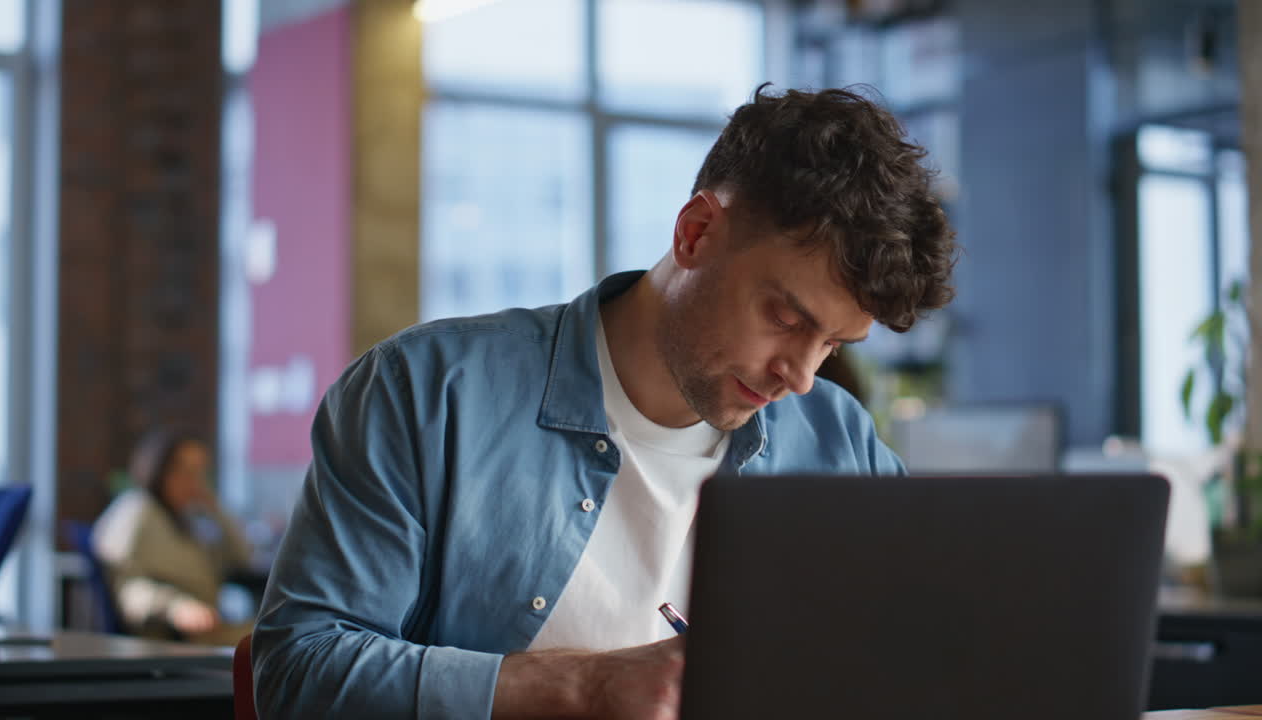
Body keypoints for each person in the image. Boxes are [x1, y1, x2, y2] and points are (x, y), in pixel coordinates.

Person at [254, 85, 957, 718]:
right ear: (696, 233)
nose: (801, 377)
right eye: (786, 317)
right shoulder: (429, 391)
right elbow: (298, 671)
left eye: (834, 344)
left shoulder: (839, 443)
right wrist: (579, 689)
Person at [93, 428, 256, 645]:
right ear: (160, 470)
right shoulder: (136, 512)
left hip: (210, 628)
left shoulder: (189, 519)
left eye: (200, 472)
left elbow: (242, 557)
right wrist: (175, 607)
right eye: (186, 471)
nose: (195, 482)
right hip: (170, 638)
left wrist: (216, 510)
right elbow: (128, 588)